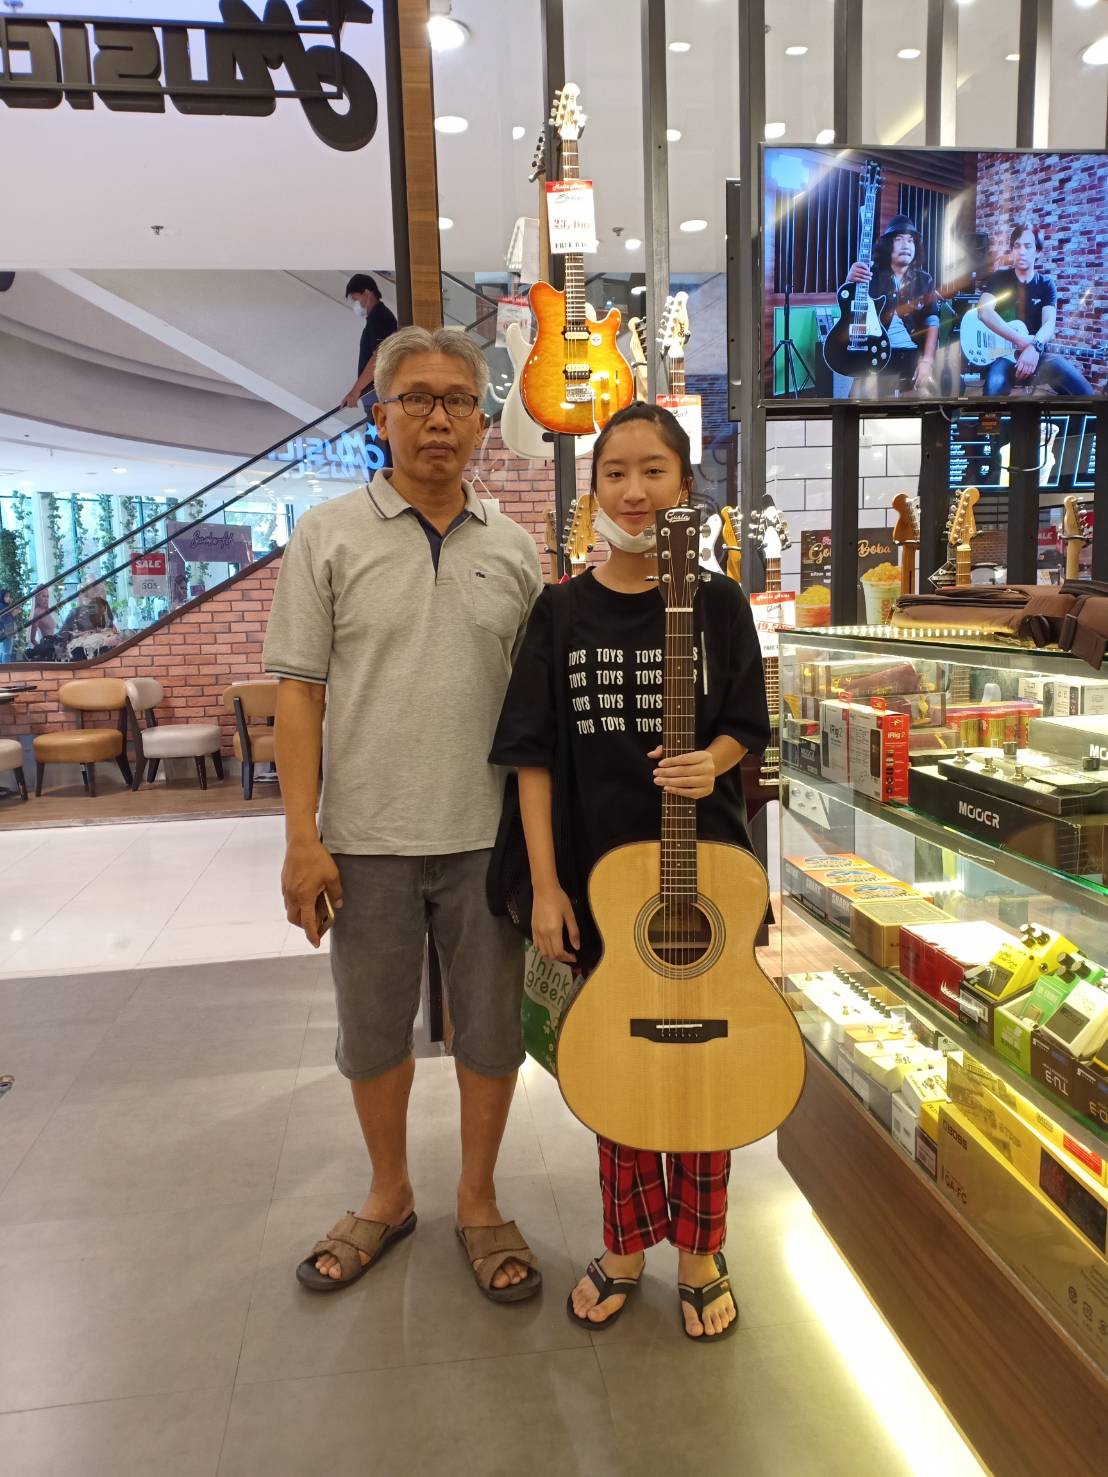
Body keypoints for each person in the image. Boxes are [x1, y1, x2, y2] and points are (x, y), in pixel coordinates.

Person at [264, 325, 546, 1300]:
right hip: (365, 840)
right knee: (373, 1031)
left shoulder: (514, 548)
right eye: (416, 398)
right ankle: (388, 1193)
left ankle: (478, 1196)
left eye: (458, 400)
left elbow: (537, 717)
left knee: (492, 1031)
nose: (437, 419)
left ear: (481, 421)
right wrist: (301, 838)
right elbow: (298, 693)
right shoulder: (327, 535)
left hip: (488, 840)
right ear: (379, 415)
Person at [489, 403, 771, 1341]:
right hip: (600, 880)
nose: (634, 489)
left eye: (654, 470)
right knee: (621, 1065)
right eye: (615, 471)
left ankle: (700, 1249)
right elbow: (531, 756)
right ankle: (623, 1244)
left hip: (708, 882)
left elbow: (747, 723)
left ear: (685, 485)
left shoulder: (719, 603)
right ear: (595, 488)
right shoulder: (561, 610)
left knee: (707, 1064)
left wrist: (712, 760)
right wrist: (545, 886)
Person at [976, 224, 1094, 398]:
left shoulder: (1046, 284)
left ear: (1038, 251)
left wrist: (1034, 347)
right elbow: (984, 312)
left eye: (1028, 246)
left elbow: (1049, 323)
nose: (1021, 252)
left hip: (1037, 355)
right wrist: (1019, 340)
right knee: (992, 391)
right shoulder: (999, 278)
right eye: (1017, 246)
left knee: (1086, 393)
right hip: (1004, 356)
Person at [845, 213, 940, 398]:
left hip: (913, 354)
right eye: (899, 239)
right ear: (888, 245)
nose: (906, 245)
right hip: (877, 354)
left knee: (944, 389)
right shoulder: (870, 276)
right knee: (858, 400)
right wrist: (850, 280)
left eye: (910, 240)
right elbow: (849, 312)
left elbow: (933, 322)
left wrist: (927, 361)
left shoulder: (924, 280)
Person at [341, 273, 399, 412]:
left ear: (367, 293)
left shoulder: (379, 317)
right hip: (375, 393)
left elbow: (378, 357)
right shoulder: (378, 316)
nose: (357, 305)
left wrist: (355, 391)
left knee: (377, 423)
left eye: (356, 299)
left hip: (377, 393)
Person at [0, 589, 15, 664]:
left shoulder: (6, 606)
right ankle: (6, 669)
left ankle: (3, 668)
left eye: (9, 596)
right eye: (6, 596)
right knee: (7, 652)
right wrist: (13, 614)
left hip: (7, 629)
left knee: (3, 651)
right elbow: (5, 620)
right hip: (6, 630)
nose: (8, 598)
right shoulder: (2, 606)